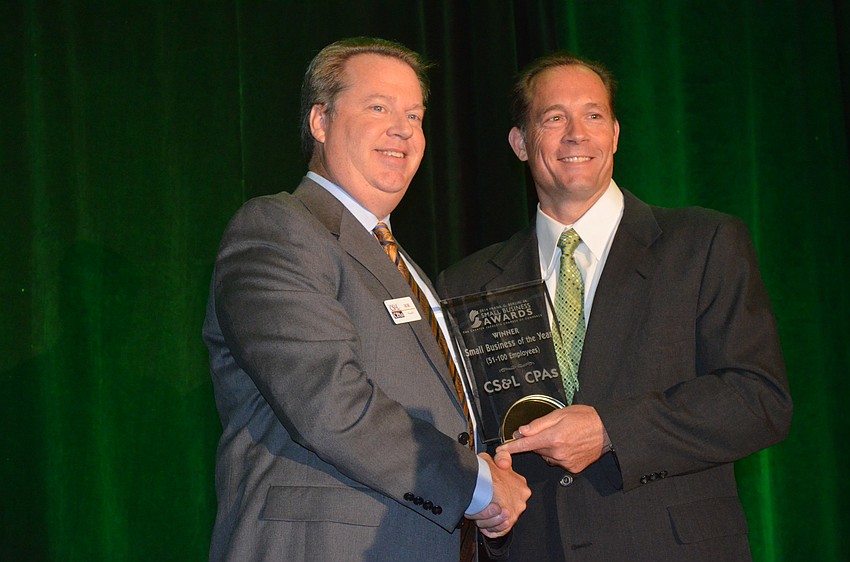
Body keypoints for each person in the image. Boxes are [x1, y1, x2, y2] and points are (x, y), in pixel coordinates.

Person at [437, 52, 792, 561]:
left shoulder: (704, 243)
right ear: (520, 142)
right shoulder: (466, 283)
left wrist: (611, 431)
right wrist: (480, 490)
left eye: (594, 115)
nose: (576, 134)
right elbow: (463, 427)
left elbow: (759, 399)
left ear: (616, 135)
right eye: (554, 117)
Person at [202, 37, 528, 562]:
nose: (403, 128)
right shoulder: (277, 229)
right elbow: (330, 403)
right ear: (320, 122)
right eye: (378, 107)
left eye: (416, 115)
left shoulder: (406, 268)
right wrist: (479, 486)